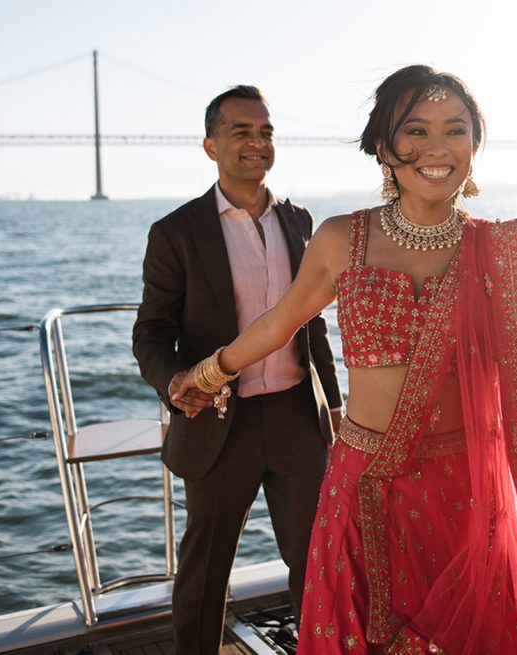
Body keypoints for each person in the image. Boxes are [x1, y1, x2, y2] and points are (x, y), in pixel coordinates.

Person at [170, 67, 517, 654]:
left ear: (475, 144)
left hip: (467, 498)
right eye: (415, 130)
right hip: (363, 486)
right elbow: (277, 323)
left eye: (456, 130)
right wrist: (209, 372)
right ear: (383, 147)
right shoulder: (344, 239)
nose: (437, 148)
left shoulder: (503, 252)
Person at [132, 84, 344, 654]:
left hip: (299, 418)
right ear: (210, 146)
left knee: (317, 561)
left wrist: (338, 406)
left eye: (266, 131)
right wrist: (174, 383)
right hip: (220, 423)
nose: (257, 142)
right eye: (241, 131)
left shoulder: (301, 222)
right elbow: (150, 334)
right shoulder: (176, 232)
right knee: (205, 571)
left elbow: (313, 323)